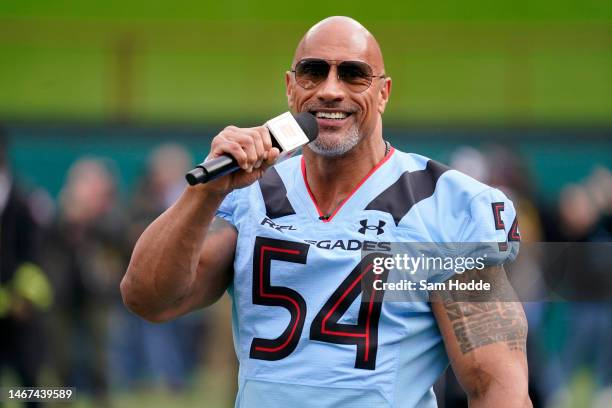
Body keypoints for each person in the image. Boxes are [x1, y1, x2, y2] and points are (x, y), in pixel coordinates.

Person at [121, 16, 531, 407]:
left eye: (353, 74)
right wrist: (205, 194)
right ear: (290, 87)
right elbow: (149, 299)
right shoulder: (249, 194)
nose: (330, 91)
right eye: (313, 72)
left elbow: (495, 386)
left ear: (383, 92)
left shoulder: (444, 206)